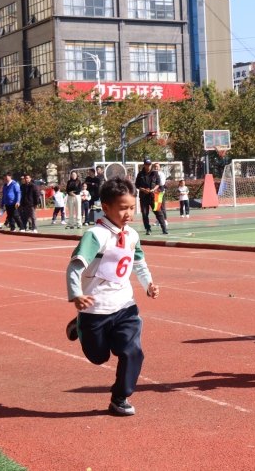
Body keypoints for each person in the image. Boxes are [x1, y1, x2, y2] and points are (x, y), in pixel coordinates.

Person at [64, 177, 160, 416]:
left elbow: (139, 263)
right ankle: (79, 325)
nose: (129, 214)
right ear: (106, 208)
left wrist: (148, 284)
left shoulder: (132, 235)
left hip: (125, 305)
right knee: (98, 357)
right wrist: (76, 295)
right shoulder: (95, 235)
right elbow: (75, 267)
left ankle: (120, 397)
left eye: (132, 207)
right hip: (95, 308)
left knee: (132, 351)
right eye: (123, 208)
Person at [134, 158, 167, 236]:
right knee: (145, 214)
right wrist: (143, 189)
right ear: (144, 165)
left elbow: (158, 184)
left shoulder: (155, 173)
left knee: (158, 212)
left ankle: (164, 228)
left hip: (154, 196)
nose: (148, 166)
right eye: (147, 164)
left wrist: (153, 190)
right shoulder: (140, 174)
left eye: (149, 164)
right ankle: (148, 229)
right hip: (144, 196)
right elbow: (137, 185)